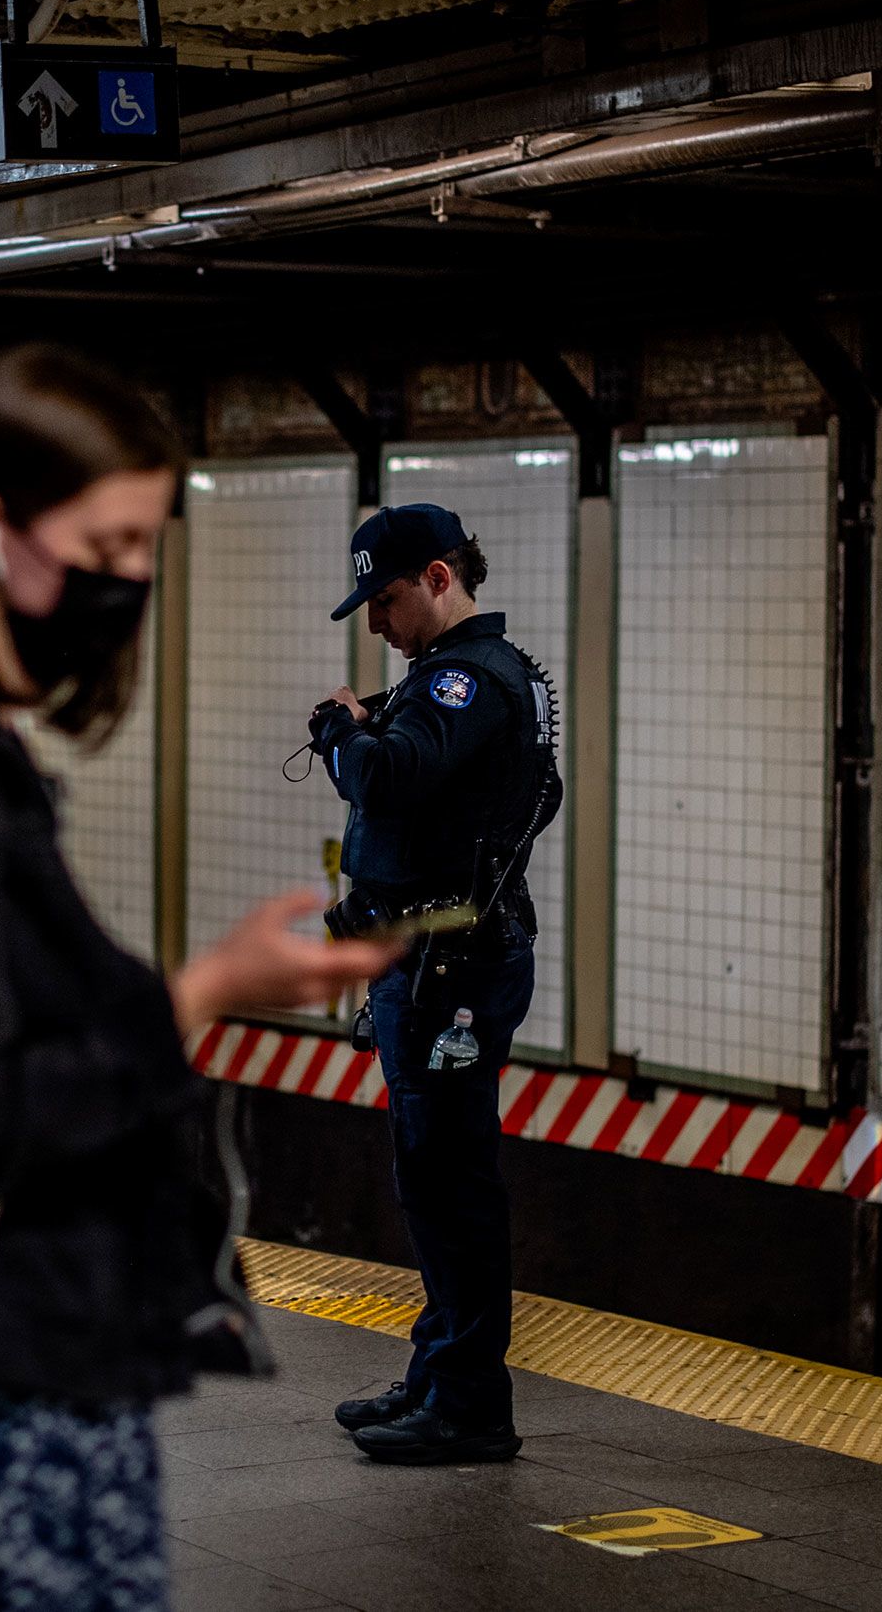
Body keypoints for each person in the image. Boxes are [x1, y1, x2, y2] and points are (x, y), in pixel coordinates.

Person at [0, 345, 395, 1611]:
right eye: (105, 545)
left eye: (147, 547)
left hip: (20, 1377)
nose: (131, 582)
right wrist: (196, 993)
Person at [310, 501, 562, 1465]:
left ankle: (467, 1402)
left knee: (449, 1180)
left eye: (385, 599)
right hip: (445, 959)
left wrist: (343, 732)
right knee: (434, 1173)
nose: (376, 621)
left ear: (442, 578)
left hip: (450, 969)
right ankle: (438, 1374)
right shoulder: (503, 678)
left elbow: (387, 777)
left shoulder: (465, 681)